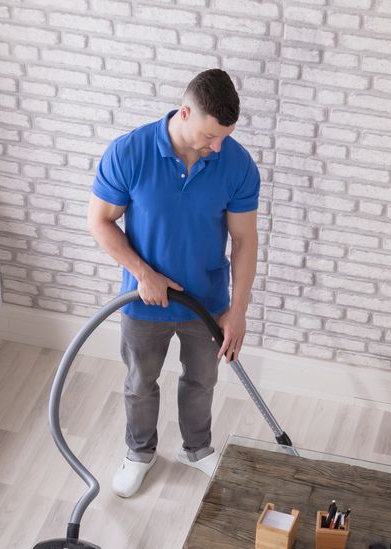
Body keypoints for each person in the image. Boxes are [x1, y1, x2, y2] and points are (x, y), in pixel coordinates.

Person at [87, 67, 261, 499]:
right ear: (184, 112)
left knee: (201, 382)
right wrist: (144, 273)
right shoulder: (130, 153)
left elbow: (243, 240)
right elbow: (101, 222)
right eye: (210, 136)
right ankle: (139, 453)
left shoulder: (236, 164)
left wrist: (237, 311)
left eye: (224, 137)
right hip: (144, 302)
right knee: (140, 382)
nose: (216, 146)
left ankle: (197, 449)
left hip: (207, 303)